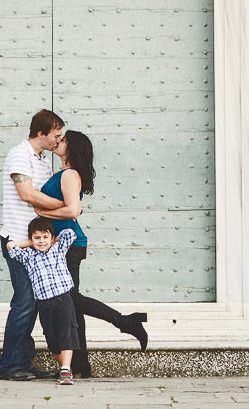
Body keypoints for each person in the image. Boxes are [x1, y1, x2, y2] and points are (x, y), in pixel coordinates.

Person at [40, 129, 148, 378]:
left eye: (63, 139)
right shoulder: (62, 173)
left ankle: (125, 322)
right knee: (72, 305)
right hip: (65, 244)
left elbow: (73, 211)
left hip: (68, 243)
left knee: (68, 299)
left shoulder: (69, 174)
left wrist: (43, 213)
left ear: (72, 147)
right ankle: (81, 365)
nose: (59, 141)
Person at [0, 108, 70, 381]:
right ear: (41, 133)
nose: (58, 140)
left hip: (36, 244)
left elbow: (48, 189)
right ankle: (11, 367)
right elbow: (27, 193)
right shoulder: (20, 154)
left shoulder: (41, 159)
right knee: (24, 303)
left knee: (32, 304)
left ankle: (23, 362)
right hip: (18, 241)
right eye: (56, 135)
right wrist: (65, 207)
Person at [7, 219, 79, 385]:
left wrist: (53, 239)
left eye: (45, 237)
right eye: (37, 238)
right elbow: (10, 246)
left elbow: (68, 234)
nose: (41, 241)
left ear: (51, 237)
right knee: (52, 338)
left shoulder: (58, 249)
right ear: (32, 239)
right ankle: (65, 370)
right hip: (44, 303)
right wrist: (29, 243)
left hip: (63, 298)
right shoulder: (29, 256)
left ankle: (66, 370)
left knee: (66, 331)